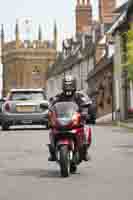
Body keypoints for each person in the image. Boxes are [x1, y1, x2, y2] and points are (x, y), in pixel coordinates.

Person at [48, 75, 91, 161]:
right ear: (63, 86)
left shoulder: (79, 96)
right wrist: (49, 112)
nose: (68, 87)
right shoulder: (59, 97)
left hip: (75, 120)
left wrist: (84, 112)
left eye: (70, 85)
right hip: (61, 120)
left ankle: (84, 151)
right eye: (66, 85)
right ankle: (52, 152)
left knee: (85, 129)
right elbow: (51, 105)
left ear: (74, 85)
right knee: (52, 130)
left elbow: (86, 103)